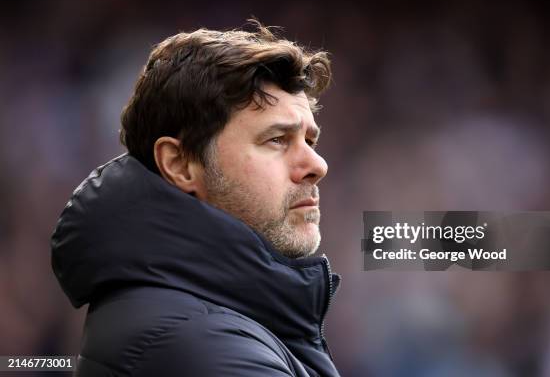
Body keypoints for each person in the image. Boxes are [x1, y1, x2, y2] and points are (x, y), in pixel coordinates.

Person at [51, 21, 341, 376]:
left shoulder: (207, 323)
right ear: (180, 164)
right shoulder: (201, 347)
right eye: (277, 140)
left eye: (309, 141)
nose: (317, 165)